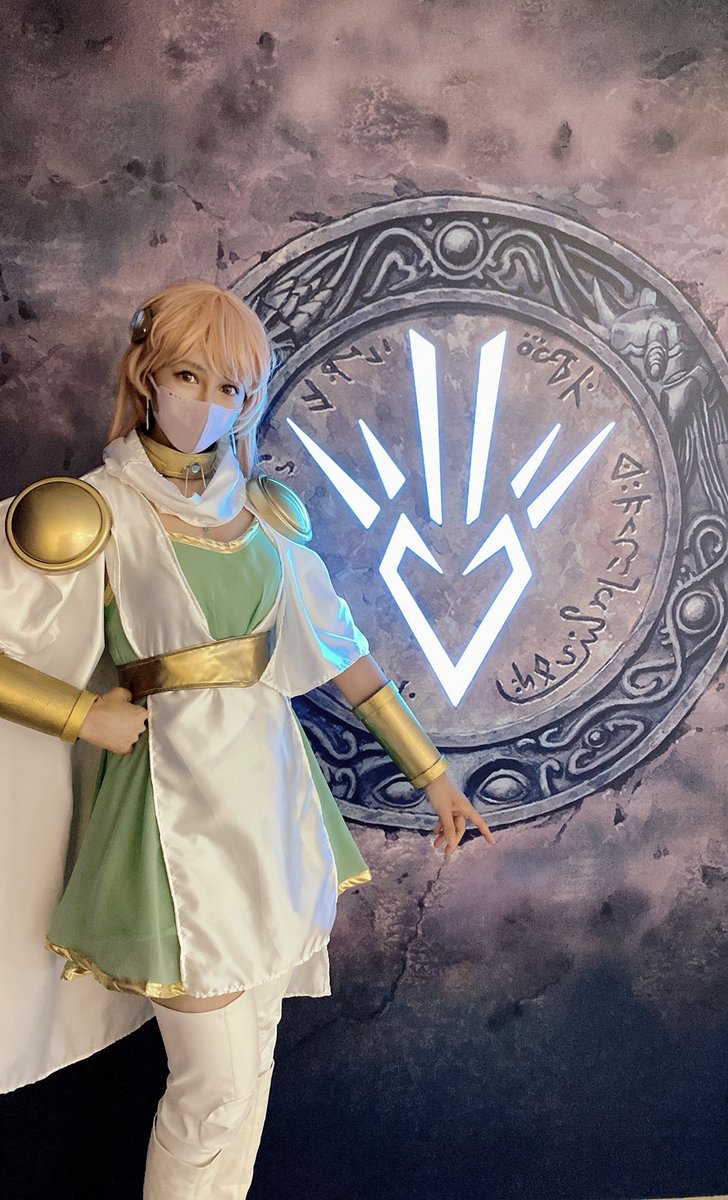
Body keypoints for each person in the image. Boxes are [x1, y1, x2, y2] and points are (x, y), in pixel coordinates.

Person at [0, 279, 495, 1197]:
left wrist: (434, 776)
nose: (207, 404)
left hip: (270, 802)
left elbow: (342, 654)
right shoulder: (95, 512)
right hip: (171, 816)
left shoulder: (264, 513)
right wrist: (83, 714)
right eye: (188, 376)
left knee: (251, 1072)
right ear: (147, 375)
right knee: (215, 1089)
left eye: (229, 387)